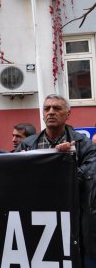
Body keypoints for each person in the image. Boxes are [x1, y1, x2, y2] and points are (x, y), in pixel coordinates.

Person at [16, 95, 96, 265]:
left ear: (68, 114)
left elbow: (90, 175)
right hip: (36, 220)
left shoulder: (83, 144)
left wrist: (67, 162)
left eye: (57, 108)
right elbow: (14, 182)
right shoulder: (27, 145)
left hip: (73, 221)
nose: (51, 112)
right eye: (47, 109)